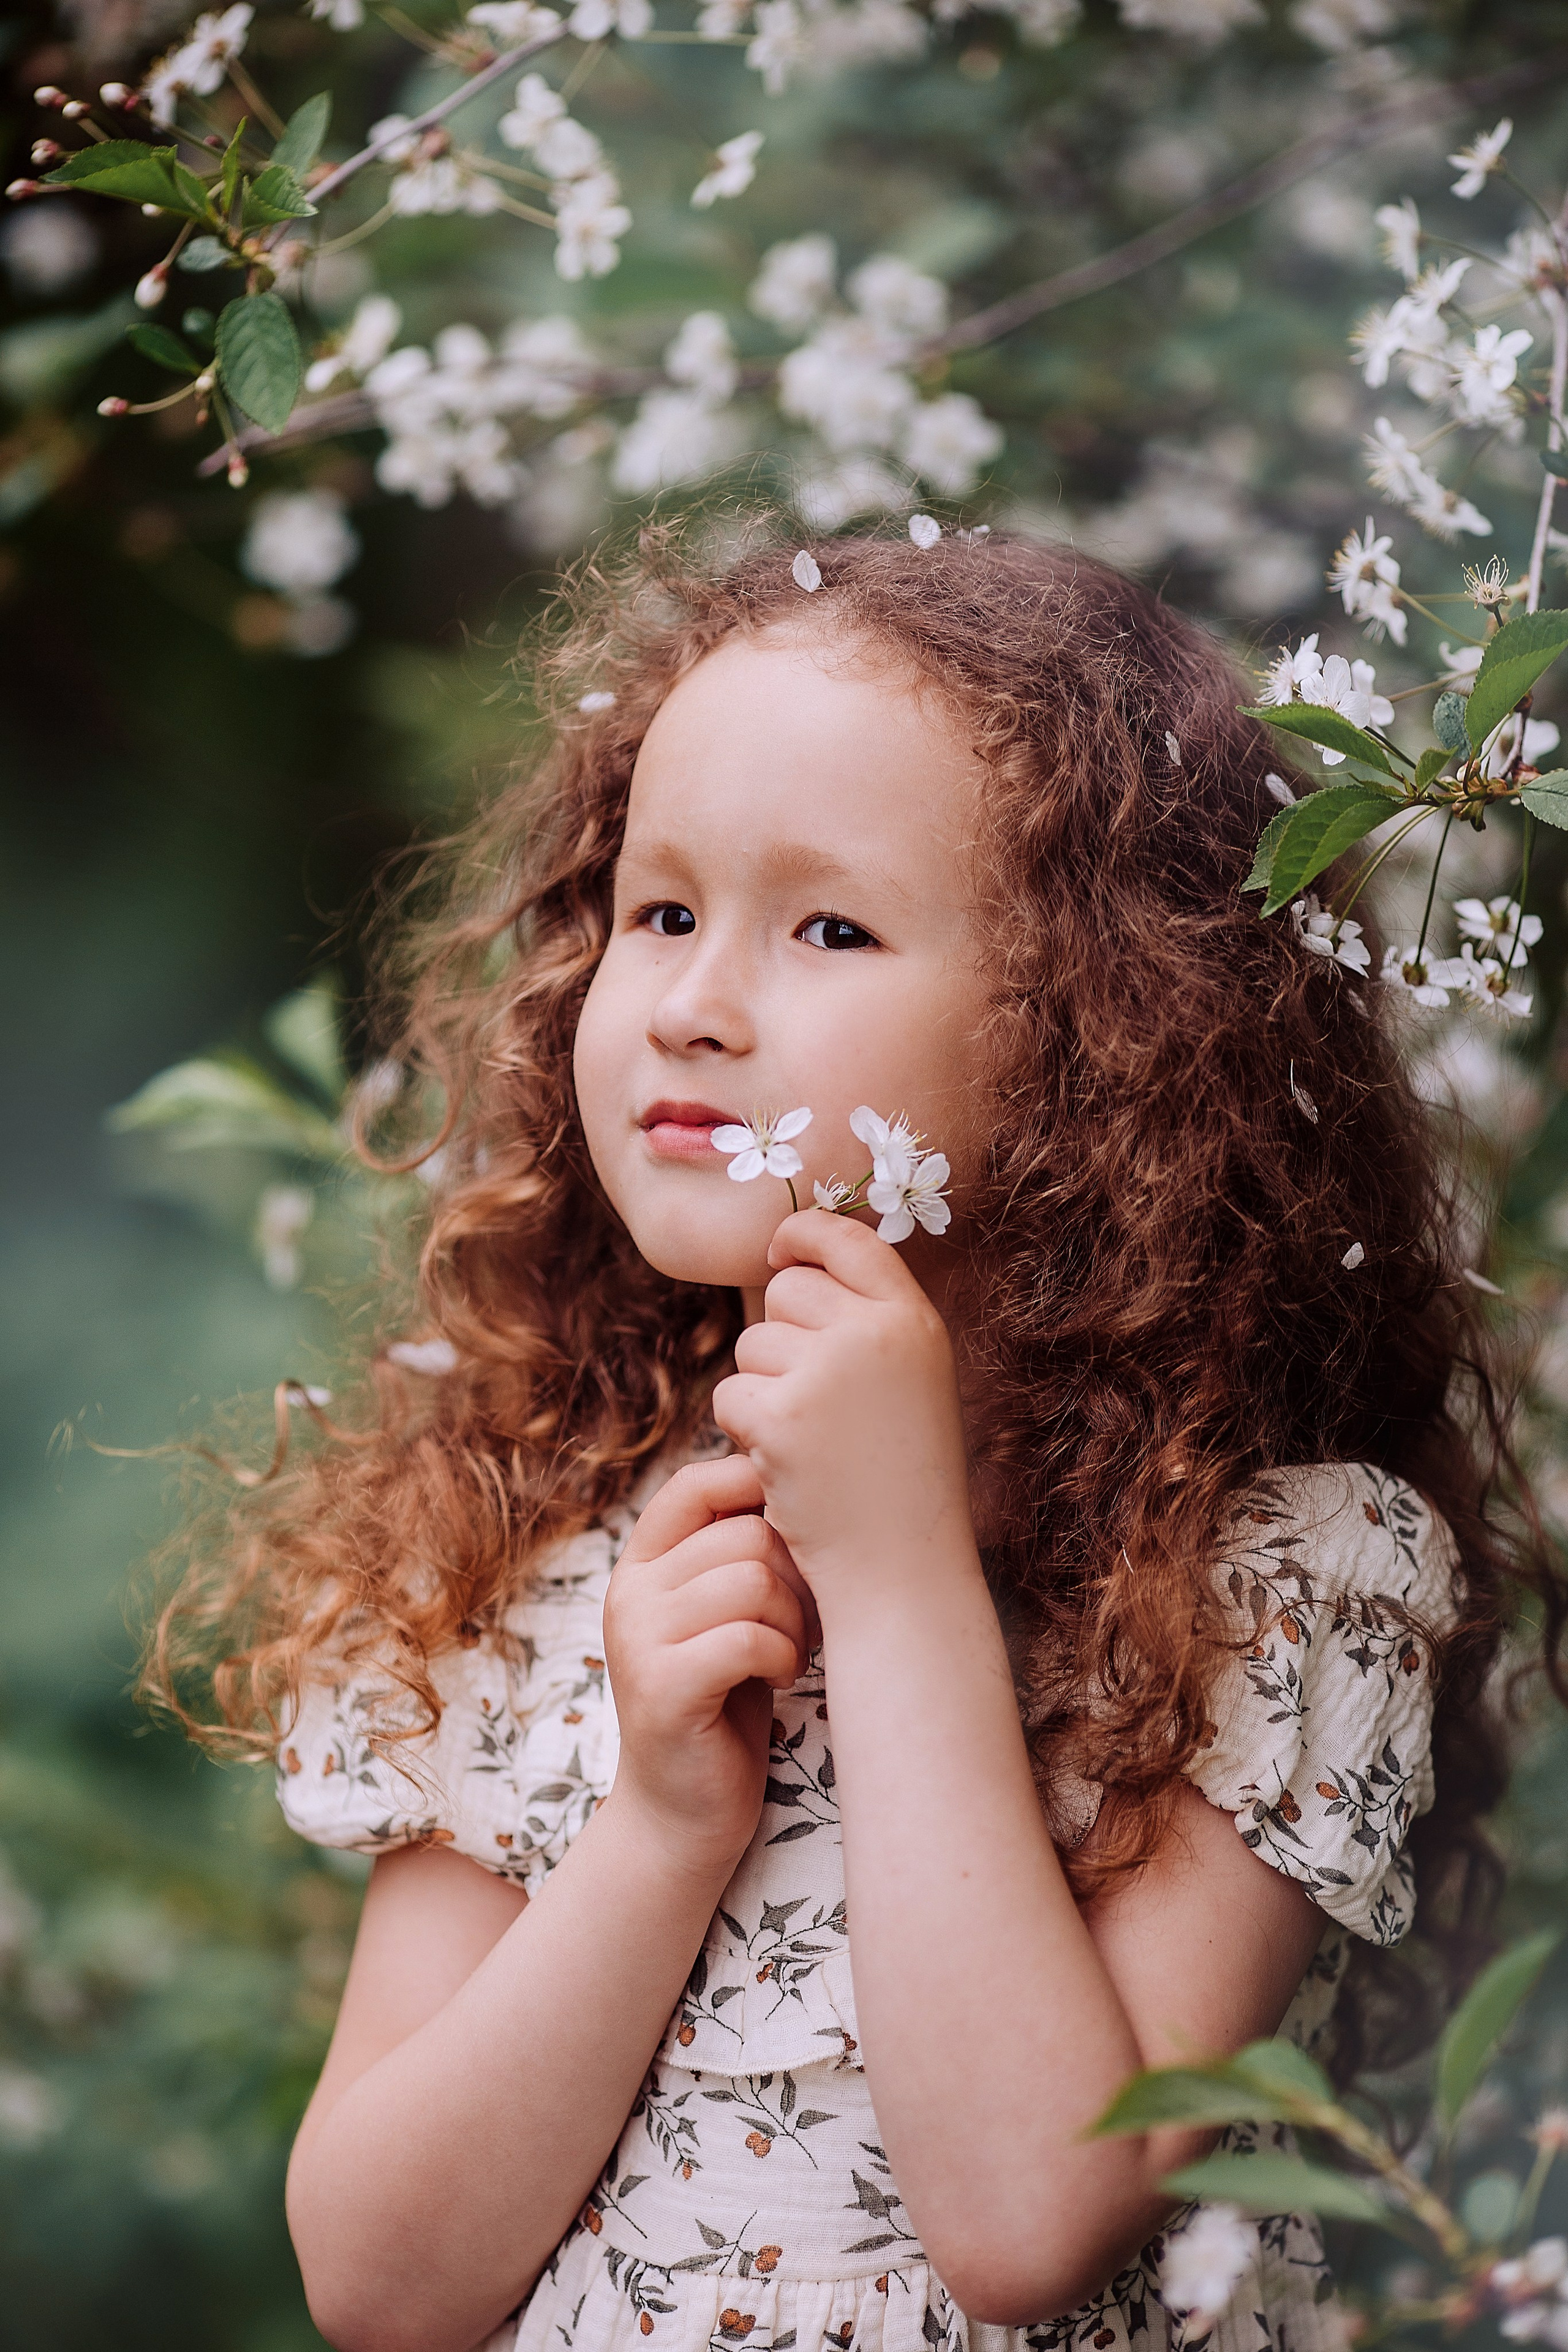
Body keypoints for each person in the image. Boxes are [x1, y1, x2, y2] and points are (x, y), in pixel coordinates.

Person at [148, 527, 1560, 2352]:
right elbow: (381, 2284)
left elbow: (1034, 2217)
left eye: (827, 927)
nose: (691, 1001)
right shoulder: (528, 1551)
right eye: (659, 910)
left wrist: (895, 1587)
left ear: (1104, 1036)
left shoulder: (1277, 1578)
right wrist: (657, 1825)